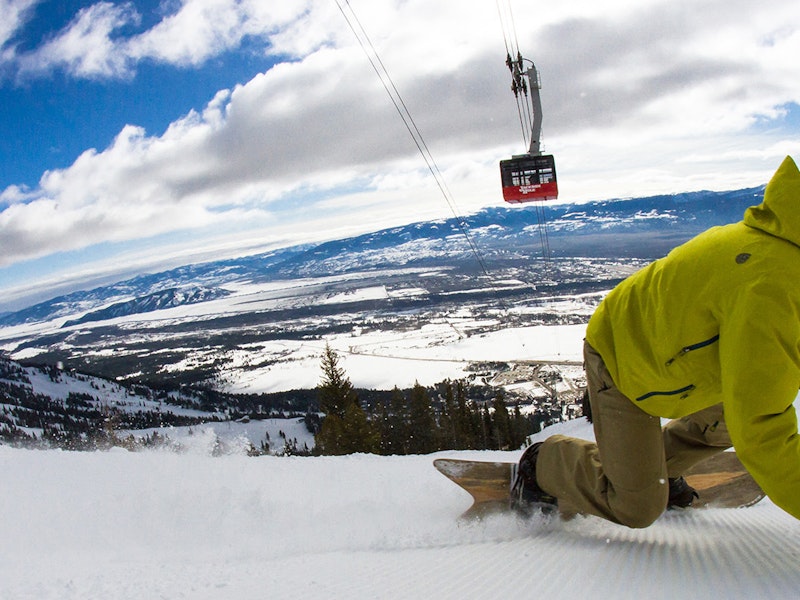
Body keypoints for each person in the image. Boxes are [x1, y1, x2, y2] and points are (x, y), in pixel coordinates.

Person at [511, 155, 800, 528]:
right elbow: (761, 428)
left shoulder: (781, 244)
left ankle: (655, 470)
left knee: (724, 423)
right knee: (637, 507)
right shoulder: (771, 283)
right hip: (623, 358)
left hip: (676, 363)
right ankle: (544, 463)